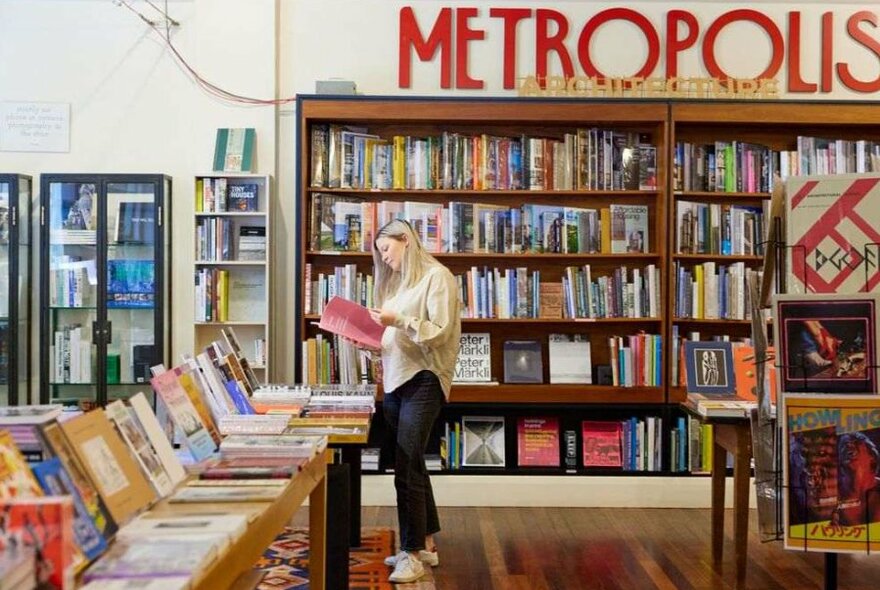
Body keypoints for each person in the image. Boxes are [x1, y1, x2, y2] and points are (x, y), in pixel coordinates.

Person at [365, 218, 461, 583]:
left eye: (386, 249)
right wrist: (372, 339)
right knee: (411, 463)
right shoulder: (398, 284)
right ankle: (426, 544)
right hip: (395, 380)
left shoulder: (438, 277)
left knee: (406, 464)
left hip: (424, 378)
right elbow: (396, 336)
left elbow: (438, 333)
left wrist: (398, 319)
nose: (384, 259)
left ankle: (410, 554)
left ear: (406, 240)